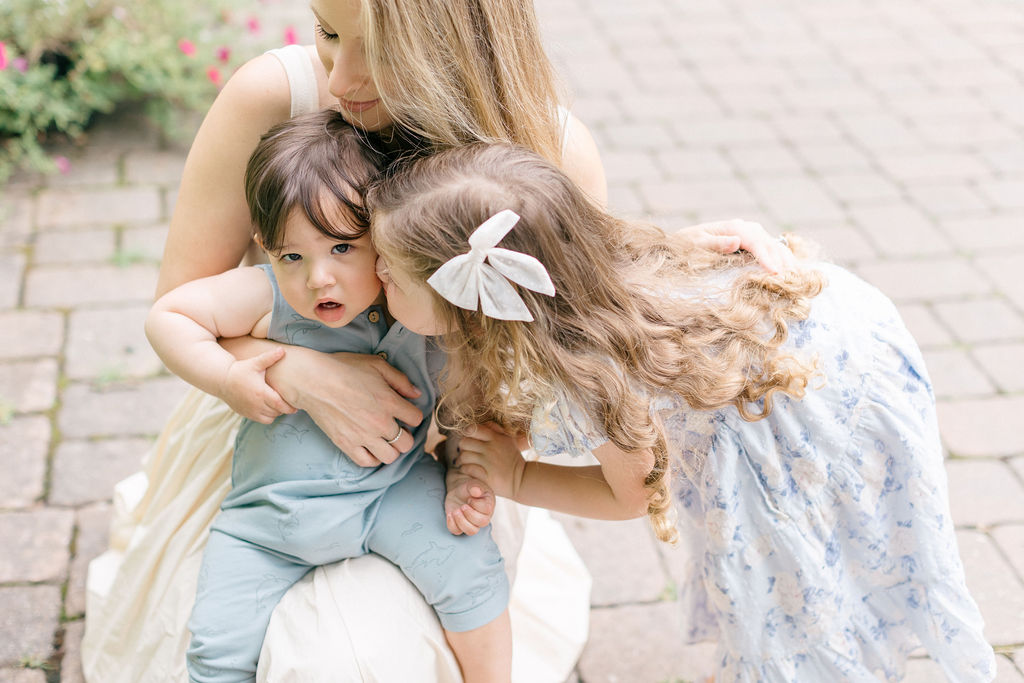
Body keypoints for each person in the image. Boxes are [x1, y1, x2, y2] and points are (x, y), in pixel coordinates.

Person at [82, 0, 789, 679]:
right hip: (272, 445)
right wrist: (301, 375)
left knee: (359, 655)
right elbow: (177, 308)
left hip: (440, 465)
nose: (340, 79)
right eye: (328, 31)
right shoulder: (274, 96)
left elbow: (576, 292)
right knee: (271, 643)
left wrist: (683, 261)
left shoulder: (553, 145)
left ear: (460, 45)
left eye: (380, 51)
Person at [365, 142, 997, 683]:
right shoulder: (559, 300)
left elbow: (631, 493)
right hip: (824, 330)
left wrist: (517, 478)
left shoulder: (590, 371)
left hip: (810, 399)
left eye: (388, 271)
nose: (374, 278)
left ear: (470, 296)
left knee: (795, 571)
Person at [145, 111, 512, 682]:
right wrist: (225, 376)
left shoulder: (417, 307)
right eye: (292, 255)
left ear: (384, 239)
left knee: (471, 570)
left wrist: (465, 472)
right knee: (216, 646)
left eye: (342, 248)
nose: (318, 279)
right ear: (266, 249)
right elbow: (168, 316)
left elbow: (467, 402)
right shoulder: (271, 298)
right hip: (269, 519)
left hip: (391, 493)